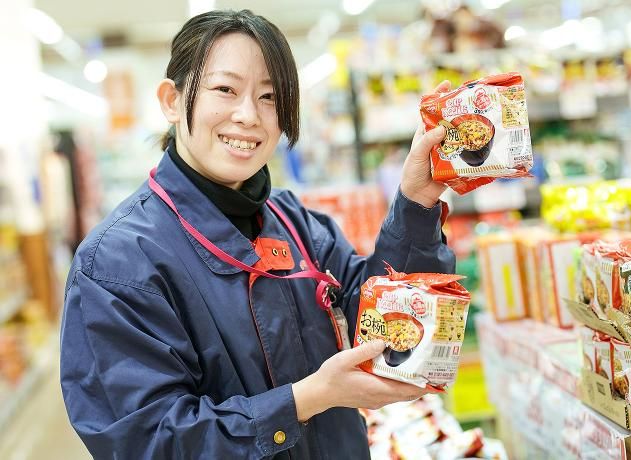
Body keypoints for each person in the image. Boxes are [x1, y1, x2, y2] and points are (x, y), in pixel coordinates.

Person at [60, 9, 454, 460]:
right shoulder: (116, 262)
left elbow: (392, 318)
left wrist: (416, 200)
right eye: (225, 89)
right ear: (172, 100)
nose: (249, 115)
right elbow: (146, 441)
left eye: (270, 96)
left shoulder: (294, 221)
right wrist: (306, 400)